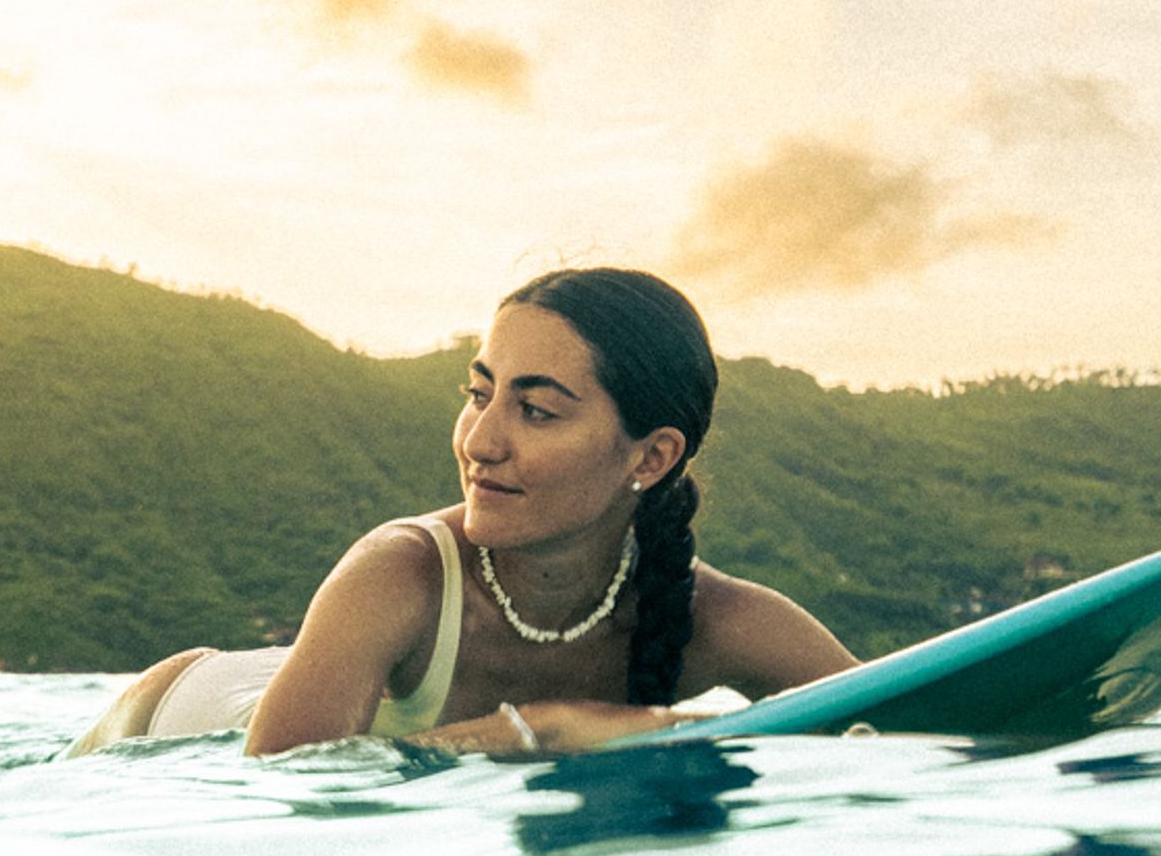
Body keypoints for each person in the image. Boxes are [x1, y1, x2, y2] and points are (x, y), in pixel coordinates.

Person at [66, 267, 857, 759]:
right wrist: (539, 732)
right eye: (478, 395)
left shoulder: (715, 618)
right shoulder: (400, 572)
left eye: (536, 411)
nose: (480, 441)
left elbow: (913, 725)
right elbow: (289, 796)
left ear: (650, 458)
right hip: (163, 728)